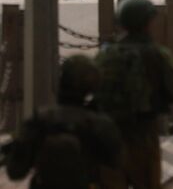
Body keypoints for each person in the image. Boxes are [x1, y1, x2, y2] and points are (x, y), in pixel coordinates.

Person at [95, 0, 173, 189]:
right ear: (148, 22)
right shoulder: (158, 54)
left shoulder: (105, 54)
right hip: (142, 134)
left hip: (108, 135)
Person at [5, 55, 123, 189]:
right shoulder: (102, 124)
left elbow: (15, 172)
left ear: (61, 80)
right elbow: (116, 166)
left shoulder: (39, 119)